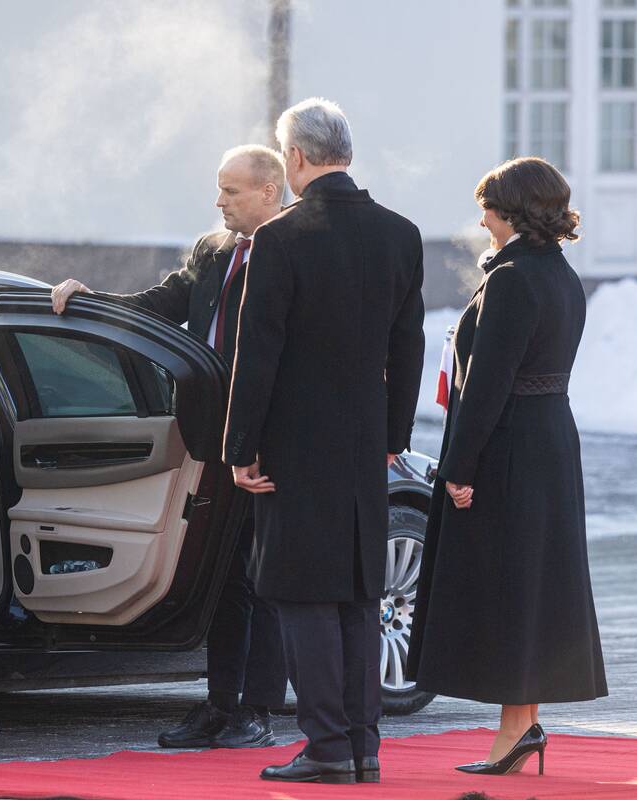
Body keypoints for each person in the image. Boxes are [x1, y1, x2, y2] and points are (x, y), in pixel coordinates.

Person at [50, 145, 289, 749]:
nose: (219, 202)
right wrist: (88, 302)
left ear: (269, 191)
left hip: (273, 445)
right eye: (218, 189)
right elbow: (161, 307)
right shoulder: (213, 250)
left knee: (267, 579)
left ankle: (259, 710)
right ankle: (219, 704)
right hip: (211, 441)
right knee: (223, 577)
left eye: (231, 191)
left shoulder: (295, 249)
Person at [223, 98, 424, 784]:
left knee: (305, 591)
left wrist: (239, 448)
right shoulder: (400, 234)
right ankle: (362, 746)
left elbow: (259, 354)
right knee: (358, 593)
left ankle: (329, 747)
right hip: (367, 442)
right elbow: (409, 344)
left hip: (295, 445)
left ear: (297, 160)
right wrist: (394, 435)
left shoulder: (281, 238)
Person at [407, 157, 607, 775]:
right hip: (548, 437)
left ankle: (517, 730)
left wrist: (458, 467)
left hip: (510, 444)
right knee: (532, 585)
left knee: (510, 587)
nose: (481, 216)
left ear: (512, 211)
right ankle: (523, 726)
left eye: (488, 204)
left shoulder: (514, 278)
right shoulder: (559, 273)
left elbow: (488, 383)